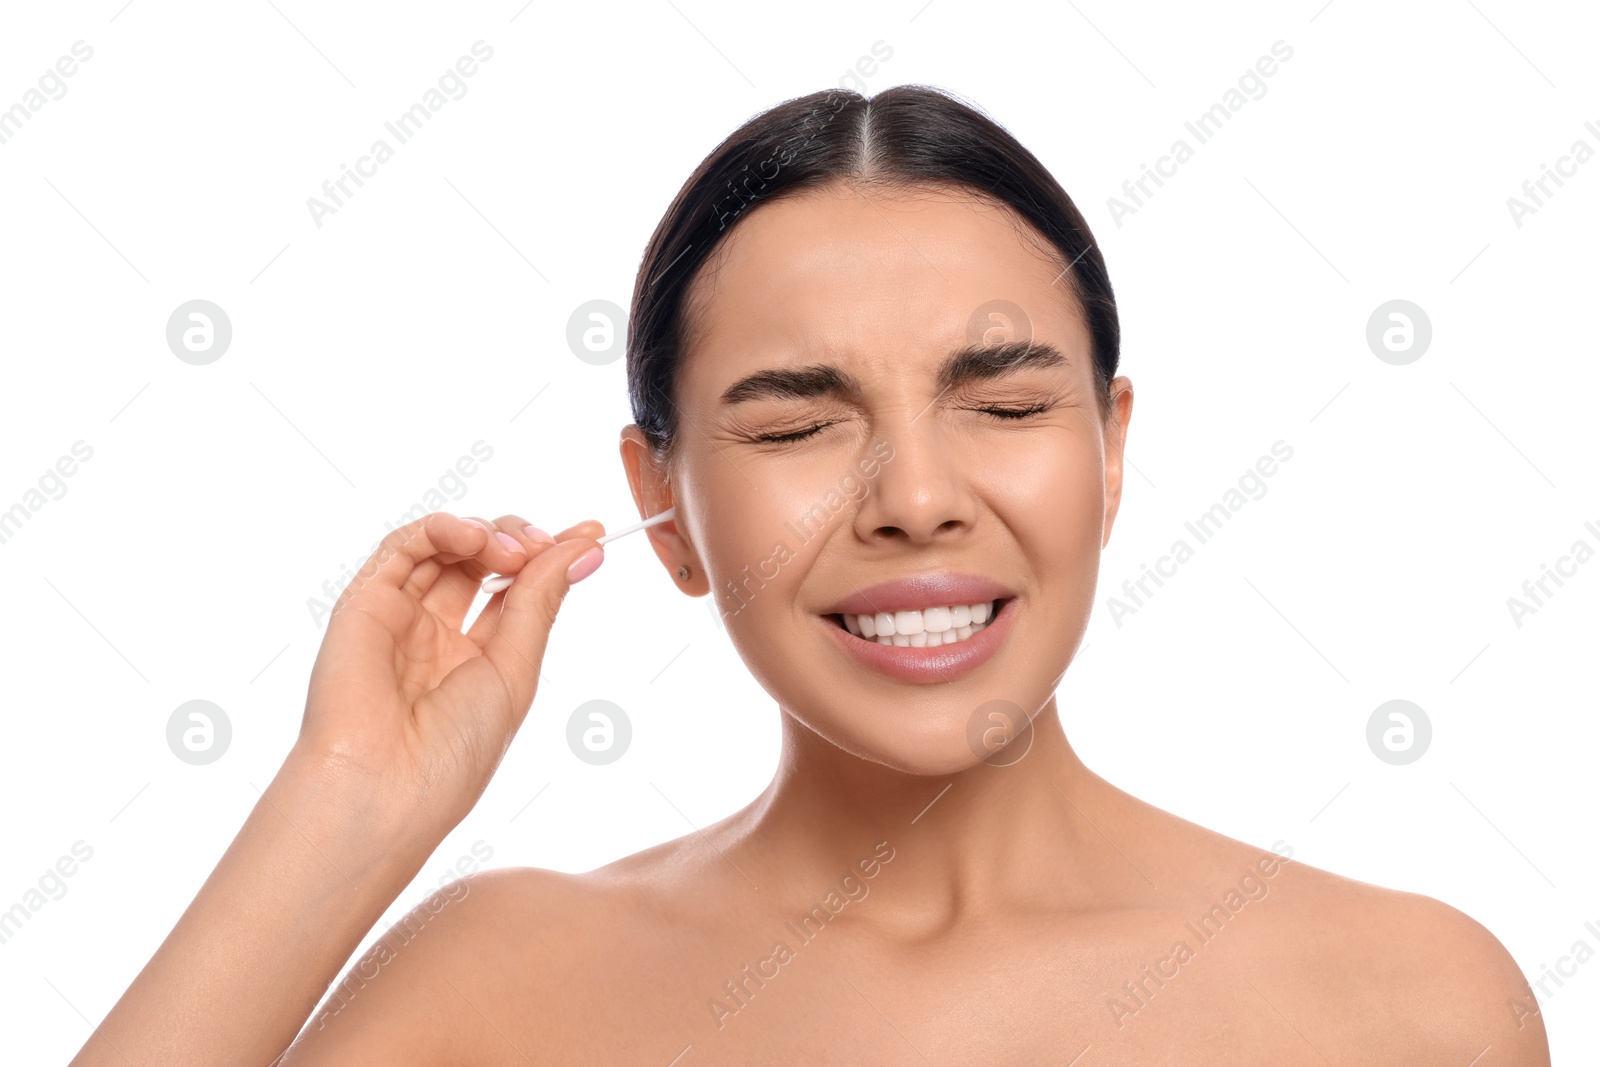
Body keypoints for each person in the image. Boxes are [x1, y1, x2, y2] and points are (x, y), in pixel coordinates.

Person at [73, 84, 1551, 1065]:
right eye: (796, 422)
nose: (915, 499)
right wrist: (346, 805)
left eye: (1009, 404)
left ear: (1110, 452)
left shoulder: (1403, 1000)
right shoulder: (500, 989)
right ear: (663, 506)